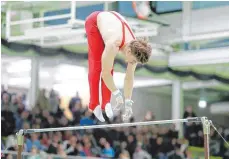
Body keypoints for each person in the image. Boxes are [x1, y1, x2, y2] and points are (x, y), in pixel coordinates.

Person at [85, 11, 152, 122]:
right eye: (134, 61)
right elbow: (105, 73)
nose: (133, 63)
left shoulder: (135, 49)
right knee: (97, 65)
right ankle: (94, 104)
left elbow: (129, 78)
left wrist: (128, 103)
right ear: (129, 51)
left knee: (109, 65)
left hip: (112, 22)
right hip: (94, 22)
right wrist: (116, 93)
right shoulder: (113, 44)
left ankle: (105, 103)